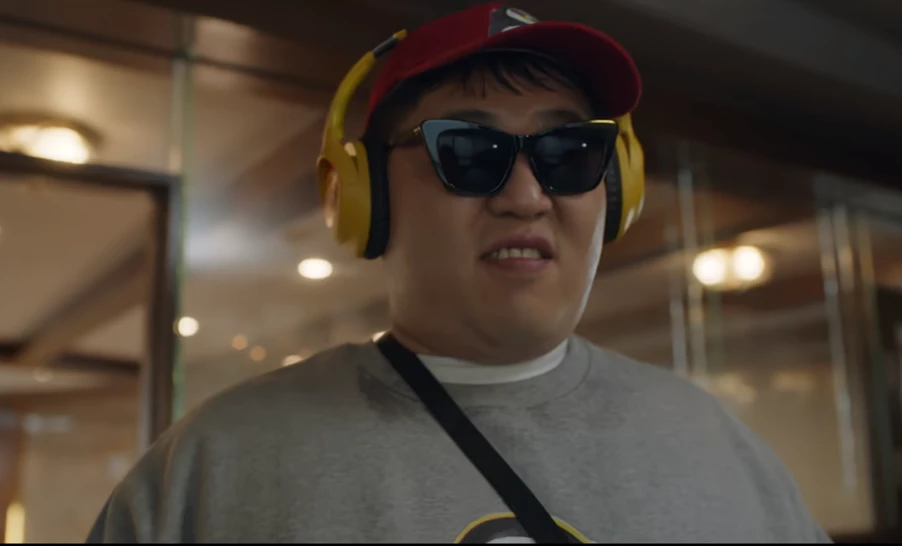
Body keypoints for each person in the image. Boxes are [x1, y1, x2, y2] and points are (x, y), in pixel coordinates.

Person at [87, 3, 831, 543]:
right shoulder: (210, 470)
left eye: (569, 152)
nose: (527, 197)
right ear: (363, 199)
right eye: (470, 153)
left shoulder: (723, 448)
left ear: (616, 187)